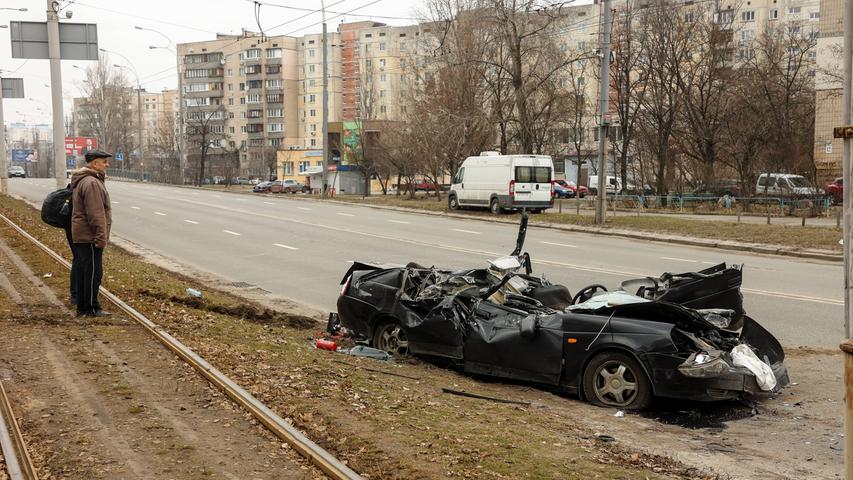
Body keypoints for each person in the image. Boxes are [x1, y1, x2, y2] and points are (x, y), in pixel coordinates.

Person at [71, 149, 113, 317]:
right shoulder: (91, 183)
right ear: (95, 163)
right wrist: (101, 237)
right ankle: (90, 308)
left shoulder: (86, 180)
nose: (106, 164)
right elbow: (96, 214)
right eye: (104, 162)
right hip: (90, 236)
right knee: (93, 273)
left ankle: (84, 306)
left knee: (85, 271)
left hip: (83, 235)